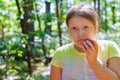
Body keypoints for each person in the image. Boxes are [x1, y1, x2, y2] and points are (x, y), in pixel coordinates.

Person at [50, 2, 120, 80]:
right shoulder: (60, 53)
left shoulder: (110, 47)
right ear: (68, 31)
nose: (80, 34)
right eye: (74, 28)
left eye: (86, 27)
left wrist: (94, 62)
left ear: (95, 27)